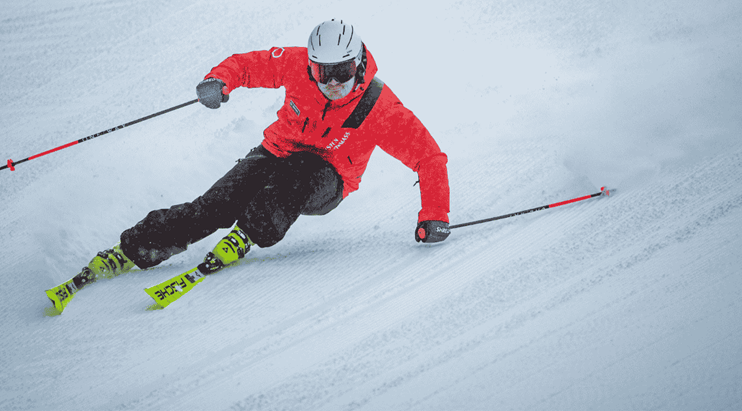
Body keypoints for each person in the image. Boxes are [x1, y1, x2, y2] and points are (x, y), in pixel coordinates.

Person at [46, 19, 450, 312]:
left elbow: (429, 157)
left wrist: (434, 216)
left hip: (328, 178)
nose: (331, 82)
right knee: (214, 205)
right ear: (310, 65)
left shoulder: (381, 108)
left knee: (295, 176)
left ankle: (249, 232)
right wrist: (219, 81)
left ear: (358, 64)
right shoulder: (295, 65)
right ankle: (135, 247)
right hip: (276, 151)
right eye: (322, 72)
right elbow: (248, 64)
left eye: (341, 72)